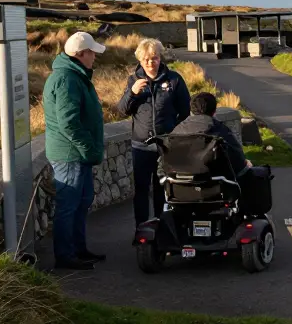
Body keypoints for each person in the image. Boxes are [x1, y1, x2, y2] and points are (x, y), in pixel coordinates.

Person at [43, 31, 107, 270]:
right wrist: (88, 148)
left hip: (77, 154)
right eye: (92, 53)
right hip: (70, 154)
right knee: (69, 206)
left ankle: (78, 249)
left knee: (81, 202)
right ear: (81, 54)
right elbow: (68, 122)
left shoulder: (74, 76)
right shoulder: (66, 79)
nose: (94, 58)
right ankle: (65, 256)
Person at [118, 39, 190, 225]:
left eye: (154, 58)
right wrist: (132, 93)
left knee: (164, 189)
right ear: (140, 61)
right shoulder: (133, 80)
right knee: (141, 190)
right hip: (141, 147)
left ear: (160, 58)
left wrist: (174, 136)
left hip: (166, 147)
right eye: (146, 59)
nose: (151, 63)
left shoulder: (174, 80)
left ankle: (163, 229)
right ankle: (141, 229)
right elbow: (122, 110)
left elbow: (185, 112)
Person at [169, 92, 252, 176]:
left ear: (191, 110)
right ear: (214, 111)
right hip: (214, 185)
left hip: (179, 184)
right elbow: (238, 162)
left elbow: (164, 162)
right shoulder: (220, 131)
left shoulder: (177, 131)